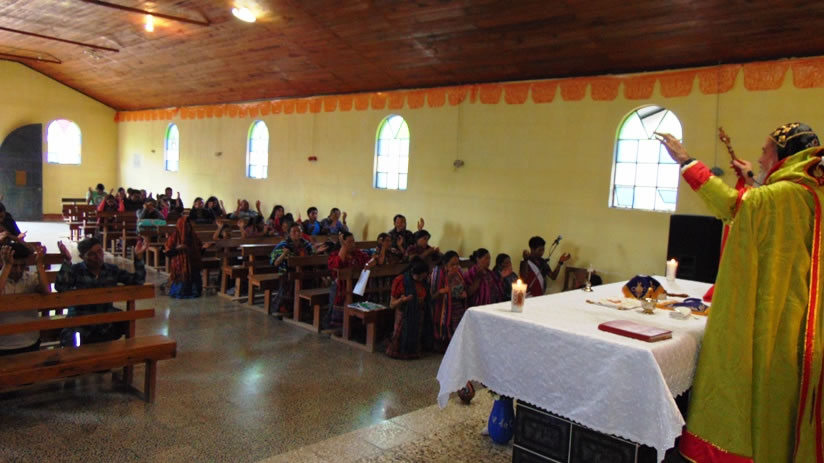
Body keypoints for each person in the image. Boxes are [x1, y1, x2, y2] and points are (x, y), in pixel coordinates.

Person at [657, 123, 824, 463]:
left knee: (755, 380)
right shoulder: (808, 190)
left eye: (765, 151)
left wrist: (686, 161)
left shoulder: (786, 194)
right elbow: (766, 210)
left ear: (782, 155)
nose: (760, 158)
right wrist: (754, 179)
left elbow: (735, 206)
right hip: (802, 307)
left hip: (778, 313)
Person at [55, 237, 148, 344]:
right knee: (72, 341)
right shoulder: (76, 271)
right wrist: (67, 261)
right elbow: (60, 286)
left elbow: (138, 280)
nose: (98, 257)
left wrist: (139, 257)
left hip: (104, 325)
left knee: (122, 322)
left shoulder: (111, 270)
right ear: (82, 257)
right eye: (91, 254)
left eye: (100, 251)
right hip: (81, 325)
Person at [0, 244, 50, 355]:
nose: (18, 270)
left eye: (22, 265)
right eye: (14, 266)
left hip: (29, 340)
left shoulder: (30, 278)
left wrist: (39, 263)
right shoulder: (2, 278)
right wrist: (7, 266)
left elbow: (46, 290)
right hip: (3, 343)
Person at [326, 232, 376, 329]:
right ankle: (338, 326)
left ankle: (356, 325)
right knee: (337, 290)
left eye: (353, 241)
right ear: (343, 243)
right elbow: (337, 264)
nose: (353, 244)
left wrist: (368, 264)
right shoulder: (335, 254)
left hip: (357, 285)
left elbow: (372, 260)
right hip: (340, 285)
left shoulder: (358, 254)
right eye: (349, 242)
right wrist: (344, 246)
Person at [386, 257, 433, 359]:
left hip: (418, 312)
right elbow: (392, 304)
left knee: (416, 333)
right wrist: (402, 300)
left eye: (423, 277)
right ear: (412, 272)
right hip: (404, 312)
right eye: (418, 277)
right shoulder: (401, 280)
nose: (421, 279)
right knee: (400, 334)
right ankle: (399, 352)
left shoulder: (424, 281)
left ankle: (413, 352)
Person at [269, 223, 314, 314]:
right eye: (294, 231)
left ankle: (305, 307)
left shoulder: (306, 244)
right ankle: (286, 307)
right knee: (291, 282)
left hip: (303, 272)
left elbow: (311, 257)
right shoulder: (283, 245)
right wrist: (284, 254)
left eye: (299, 231)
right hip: (286, 273)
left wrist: (316, 253)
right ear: (289, 233)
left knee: (312, 279)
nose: (297, 233)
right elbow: (275, 263)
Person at [164, 217, 212, 298]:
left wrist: (204, 248)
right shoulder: (174, 236)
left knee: (196, 290)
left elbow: (199, 252)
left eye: (189, 226)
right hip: (181, 266)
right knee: (181, 291)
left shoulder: (193, 237)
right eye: (186, 226)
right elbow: (168, 253)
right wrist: (178, 248)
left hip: (193, 264)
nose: (188, 228)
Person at [430, 250, 467, 352]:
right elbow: (433, 295)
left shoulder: (459, 272)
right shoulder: (438, 273)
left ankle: (457, 347)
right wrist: (449, 278)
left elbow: (462, 286)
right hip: (444, 306)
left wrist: (463, 293)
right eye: (452, 264)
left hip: (458, 304)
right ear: (445, 264)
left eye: (457, 264)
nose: (455, 267)